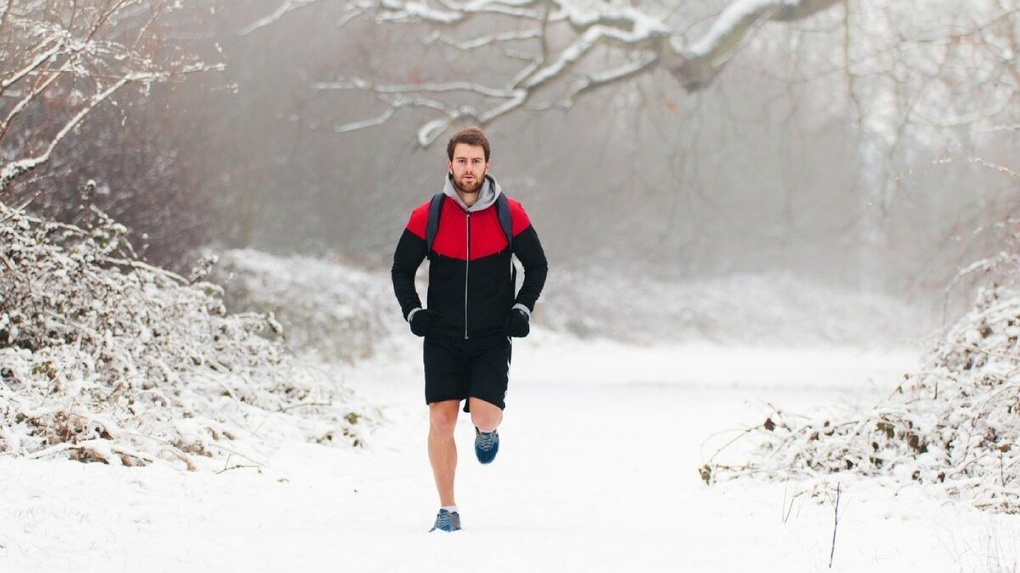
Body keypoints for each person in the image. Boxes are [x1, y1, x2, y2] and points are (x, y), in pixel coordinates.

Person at [391, 126, 548, 533]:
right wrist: (413, 311)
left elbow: (538, 266)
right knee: (440, 421)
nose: (468, 168)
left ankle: (485, 432)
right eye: (461, 160)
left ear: (487, 165)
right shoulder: (428, 216)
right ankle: (447, 508)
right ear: (449, 164)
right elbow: (402, 270)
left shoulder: (510, 214)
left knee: (487, 414)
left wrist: (522, 308)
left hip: (492, 336)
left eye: (475, 161)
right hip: (441, 336)